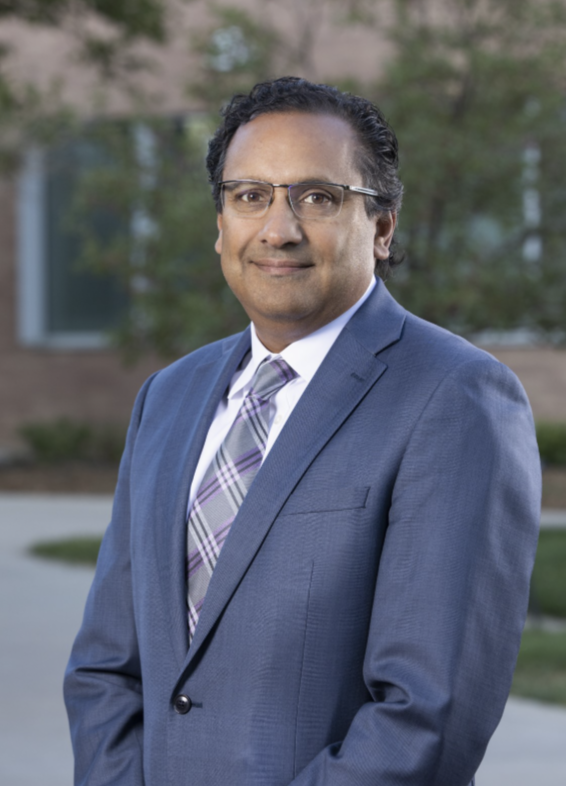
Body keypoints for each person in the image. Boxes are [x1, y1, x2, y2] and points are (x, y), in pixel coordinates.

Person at [64, 76, 540, 786]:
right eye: (249, 195)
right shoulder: (168, 396)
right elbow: (107, 666)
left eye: (318, 198)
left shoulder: (455, 398)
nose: (278, 228)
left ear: (382, 227)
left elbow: (426, 718)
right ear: (221, 223)